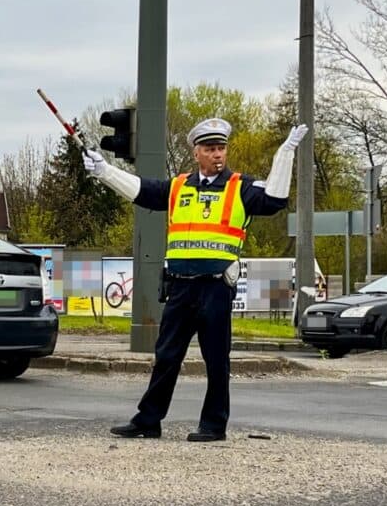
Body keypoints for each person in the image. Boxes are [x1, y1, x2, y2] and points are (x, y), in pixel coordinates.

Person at [83, 117, 308, 441]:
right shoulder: (179, 187)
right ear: (196, 152)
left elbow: (274, 200)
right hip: (180, 287)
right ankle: (148, 420)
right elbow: (142, 191)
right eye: (210, 149)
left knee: (216, 360)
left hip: (216, 287)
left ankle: (214, 425)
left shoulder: (240, 187)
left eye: (221, 148)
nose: (218, 155)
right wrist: (105, 172)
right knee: (167, 356)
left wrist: (284, 155)